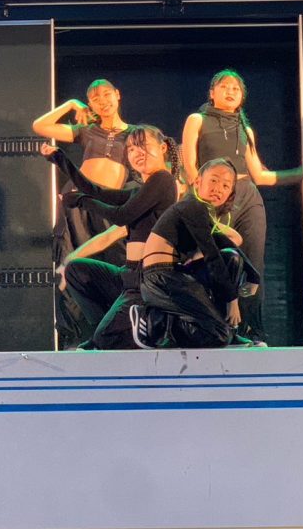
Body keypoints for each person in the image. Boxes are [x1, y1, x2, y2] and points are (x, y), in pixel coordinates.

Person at [181, 69, 303, 344]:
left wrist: (302, 173)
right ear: (212, 93)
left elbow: (260, 176)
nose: (230, 91)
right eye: (224, 86)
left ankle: (253, 332)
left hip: (247, 195)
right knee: (222, 260)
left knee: (253, 266)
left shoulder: (246, 129)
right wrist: (201, 197)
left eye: (236, 88)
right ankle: (220, 329)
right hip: (215, 194)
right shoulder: (197, 120)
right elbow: (190, 166)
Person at [41, 125, 180, 349]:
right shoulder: (141, 190)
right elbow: (97, 190)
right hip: (130, 275)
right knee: (76, 270)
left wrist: (80, 201)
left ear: (163, 148)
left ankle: (123, 330)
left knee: (102, 342)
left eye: (143, 145)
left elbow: (121, 215)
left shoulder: (163, 180)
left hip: (147, 281)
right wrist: (61, 159)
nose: (137, 152)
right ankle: (108, 328)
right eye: (131, 148)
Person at [33, 79, 133, 345]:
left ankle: (115, 332)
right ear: (90, 104)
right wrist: (70, 104)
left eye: (107, 94)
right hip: (76, 203)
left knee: (114, 262)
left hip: (109, 206)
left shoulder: (134, 134)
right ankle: (73, 338)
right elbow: (40, 126)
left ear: (118, 95)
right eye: (95, 98)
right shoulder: (87, 130)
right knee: (70, 263)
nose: (103, 101)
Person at [137, 158, 259, 349]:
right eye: (214, 180)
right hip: (160, 278)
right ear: (197, 182)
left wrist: (254, 276)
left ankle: (229, 331)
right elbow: (211, 256)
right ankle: (156, 324)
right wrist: (232, 299)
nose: (218, 188)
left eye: (226, 185)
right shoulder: (192, 206)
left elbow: (226, 244)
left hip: (177, 273)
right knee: (218, 335)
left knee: (231, 258)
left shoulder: (201, 212)